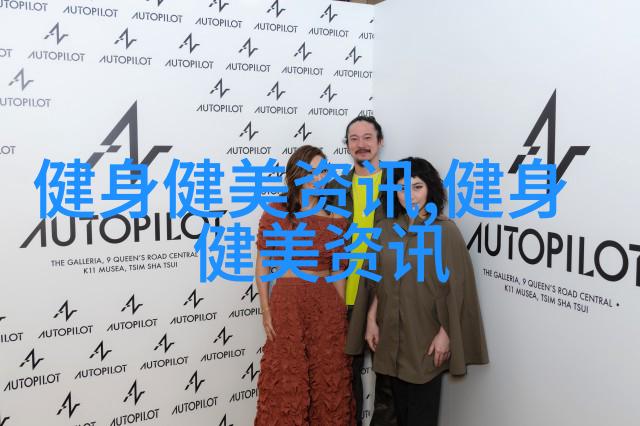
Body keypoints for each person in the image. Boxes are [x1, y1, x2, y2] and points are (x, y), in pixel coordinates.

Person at [364, 157, 489, 426]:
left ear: (430, 188)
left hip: (425, 338)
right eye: (401, 188)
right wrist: (371, 320)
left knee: (422, 416)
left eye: (417, 187)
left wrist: (446, 334)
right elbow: (375, 279)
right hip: (391, 335)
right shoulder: (384, 229)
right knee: (397, 413)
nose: (409, 195)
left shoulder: (446, 231)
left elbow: (458, 287)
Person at [254, 145, 355, 426]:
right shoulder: (275, 213)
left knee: (328, 377)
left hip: (325, 305)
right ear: (296, 174)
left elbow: (338, 271)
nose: (318, 177)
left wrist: (341, 314)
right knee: (287, 376)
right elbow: (263, 266)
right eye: (312, 171)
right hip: (287, 303)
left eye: (323, 171)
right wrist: (266, 309)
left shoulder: (336, 219)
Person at [327, 115, 397, 426]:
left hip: (387, 295)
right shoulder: (335, 188)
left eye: (368, 137)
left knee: (389, 380)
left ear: (380, 142)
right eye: (354, 139)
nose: (361, 144)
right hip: (347, 296)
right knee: (346, 380)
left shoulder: (397, 185)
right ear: (347, 146)